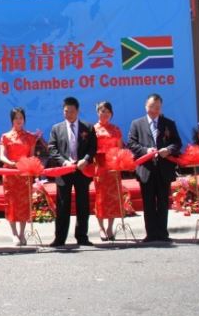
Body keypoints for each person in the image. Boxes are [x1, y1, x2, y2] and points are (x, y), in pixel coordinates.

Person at [128, 93, 182, 243]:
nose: (154, 110)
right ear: (146, 106)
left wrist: (168, 150)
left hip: (164, 169)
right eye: (152, 106)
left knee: (163, 201)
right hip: (146, 169)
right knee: (148, 202)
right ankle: (151, 233)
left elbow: (177, 143)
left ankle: (163, 233)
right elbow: (131, 143)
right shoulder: (137, 123)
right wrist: (146, 151)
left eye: (157, 107)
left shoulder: (168, 123)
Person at [48, 97, 97, 247]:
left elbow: (93, 148)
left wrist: (86, 160)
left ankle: (82, 236)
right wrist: (64, 162)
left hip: (82, 170)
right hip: (64, 171)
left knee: (83, 204)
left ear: (77, 111)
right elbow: (52, 148)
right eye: (66, 111)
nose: (68, 114)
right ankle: (60, 238)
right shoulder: (57, 128)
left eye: (71, 111)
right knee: (63, 205)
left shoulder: (88, 127)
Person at [0, 107, 37, 246]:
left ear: (24, 119)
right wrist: (11, 163)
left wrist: (29, 167)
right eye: (16, 118)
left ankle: (22, 233)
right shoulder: (6, 136)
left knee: (24, 204)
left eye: (21, 117)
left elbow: (32, 156)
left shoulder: (30, 137)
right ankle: (14, 233)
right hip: (10, 174)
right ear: (12, 120)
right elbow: (2, 156)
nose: (18, 120)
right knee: (11, 203)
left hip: (24, 174)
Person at [93, 102, 124, 241]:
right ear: (98, 112)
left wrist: (119, 161)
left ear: (111, 113)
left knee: (113, 197)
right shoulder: (93, 129)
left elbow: (120, 148)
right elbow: (90, 150)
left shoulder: (116, 129)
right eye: (102, 111)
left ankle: (110, 227)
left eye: (107, 111)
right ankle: (101, 227)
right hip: (99, 167)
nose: (105, 114)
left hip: (113, 167)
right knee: (100, 197)